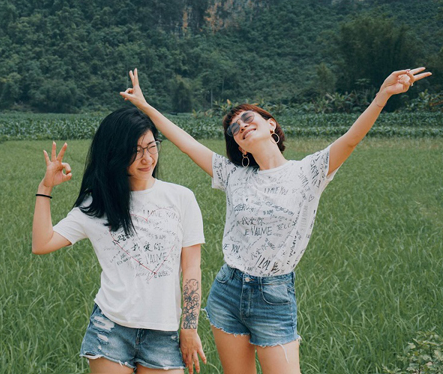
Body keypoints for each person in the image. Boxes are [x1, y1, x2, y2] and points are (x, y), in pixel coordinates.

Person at [120, 68, 431, 374]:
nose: (241, 126)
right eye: (234, 129)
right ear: (239, 146)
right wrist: (145, 107)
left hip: (274, 295)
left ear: (271, 124)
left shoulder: (308, 172)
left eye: (247, 118)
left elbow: (350, 139)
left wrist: (382, 96)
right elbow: (186, 142)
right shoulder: (233, 175)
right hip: (228, 290)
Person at [32, 107, 208, 374]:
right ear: (115, 153)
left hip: (163, 333)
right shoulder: (97, 204)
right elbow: (42, 244)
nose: (147, 158)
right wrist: (45, 188)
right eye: (135, 151)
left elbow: (192, 268)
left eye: (151, 146)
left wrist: (190, 327)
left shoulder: (181, 198)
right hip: (110, 330)